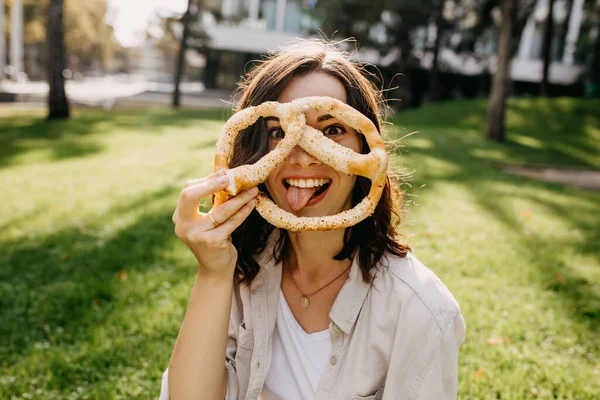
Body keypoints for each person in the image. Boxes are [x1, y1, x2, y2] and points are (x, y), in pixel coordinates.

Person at [160, 39, 465, 400]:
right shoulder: (238, 273)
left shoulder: (421, 312)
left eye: (332, 129)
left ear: (366, 153)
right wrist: (212, 274)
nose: (303, 157)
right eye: (279, 132)